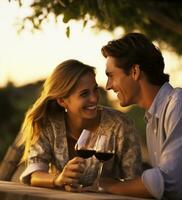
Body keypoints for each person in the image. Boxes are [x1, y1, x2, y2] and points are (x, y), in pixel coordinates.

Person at [100, 33, 182, 199]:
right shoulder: (153, 120)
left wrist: (108, 184)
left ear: (134, 71)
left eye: (111, 75)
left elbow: (170, 185)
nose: (108, 86)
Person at [19, 59, 142, 192]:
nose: (94, 98)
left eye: (95, 89)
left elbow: (134, 180)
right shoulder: (49, 124)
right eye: (84, 94)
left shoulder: (120, 125)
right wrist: (58, 179)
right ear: (62, 101)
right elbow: (34, 173)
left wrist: (107, 187)